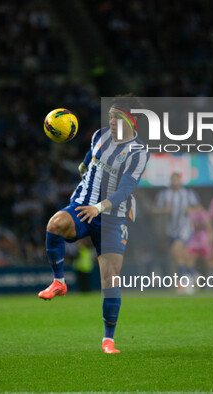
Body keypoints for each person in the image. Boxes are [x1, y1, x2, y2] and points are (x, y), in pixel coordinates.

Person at [38, 95, 149, 354]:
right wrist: (84, 168)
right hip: (82, 206)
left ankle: (108, 340)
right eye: (109, 116)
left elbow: (125, 190)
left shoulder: (138, 152)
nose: (110, 121)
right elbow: (87, 161)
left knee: (110, 279)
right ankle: (59, 281)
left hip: (111, 217)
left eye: (115, 117)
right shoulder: (100, 135)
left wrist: (98, 206)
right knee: (54, 224)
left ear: (129, 121)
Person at [153, 173, 201, 293]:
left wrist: (191, 210)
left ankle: (184, 281)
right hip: (171, 230)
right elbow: (154, 209)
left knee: (176, 250)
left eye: (177, 180)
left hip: (185, 228)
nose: (175, 182)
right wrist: (164, 210)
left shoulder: (188, 193)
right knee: (180, 256)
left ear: (180, 181)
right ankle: (192, 274)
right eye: (172, 180)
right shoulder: (164, 194)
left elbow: (199, 208)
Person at [186, 207, 213, 286]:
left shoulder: (204, 214)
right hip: (194, 240)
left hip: (204, 240)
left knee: (209, 264)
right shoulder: (191, 215)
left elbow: (209, 226)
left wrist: (211, 237)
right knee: (189, 261)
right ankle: (193, 279)